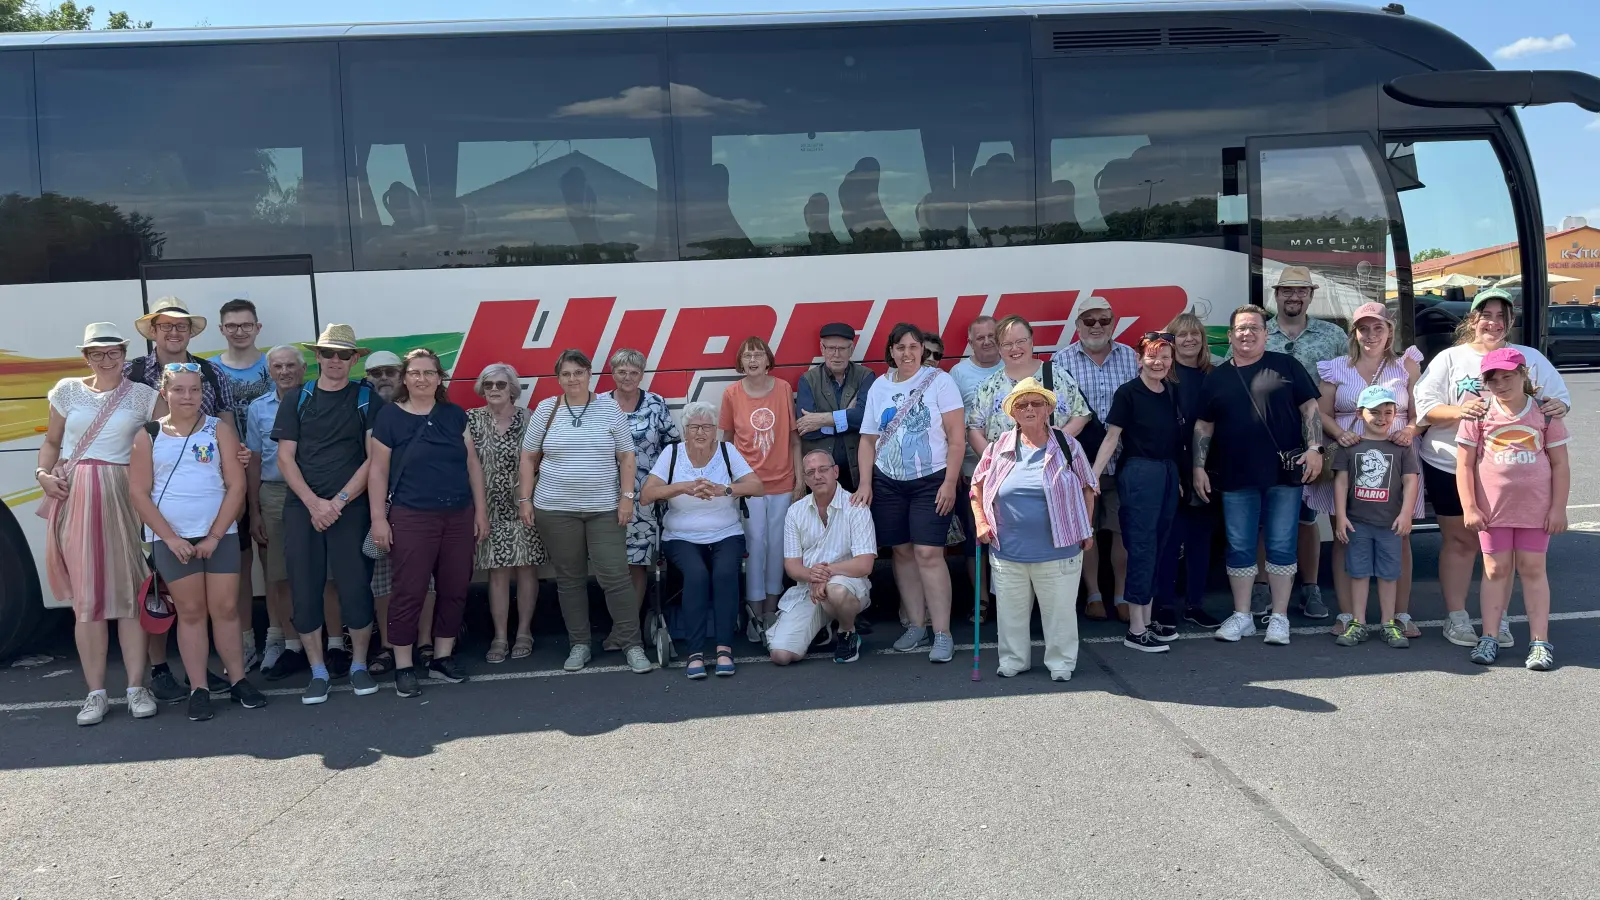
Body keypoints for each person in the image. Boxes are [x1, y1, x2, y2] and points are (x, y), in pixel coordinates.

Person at [1414, 287, 1569, 648]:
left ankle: (1495, 623)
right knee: (1460, 541)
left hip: (1509, 475)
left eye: (1502, 317)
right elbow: (1424, 406)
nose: (1494, 323)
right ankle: (1457, 618)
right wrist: (1459, 411)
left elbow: (1558, 400)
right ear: (1473, 319)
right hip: (1450, 462)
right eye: (1487, 315)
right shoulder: (1451, 358)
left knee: (1501, 555)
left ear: (1510, 322)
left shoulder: (1528, 358)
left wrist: (1557, 407)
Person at [129, 364, 268, 720]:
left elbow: (236, 486)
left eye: (193, 390)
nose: (187, 397)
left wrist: (215, 536)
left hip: (219, 536)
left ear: (201, 393)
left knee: (225, 610)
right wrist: (172, 539)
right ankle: (198, 688)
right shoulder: (148, 435)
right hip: (173, 541)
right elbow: (140, 494)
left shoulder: (218, 429)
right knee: (190, 614)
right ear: (165, 393)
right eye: (179, 390)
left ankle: (238, 681)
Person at [38, 323, 160, 726]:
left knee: (128, 591)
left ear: (125, 354)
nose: (106, 359)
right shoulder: (67, 390)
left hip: (123, 492)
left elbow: (170, 438)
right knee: (86, 600)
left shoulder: (144, 395)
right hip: (75, 493)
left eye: (113, 352)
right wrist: (43, 473)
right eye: (97, 353)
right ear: (86, 356)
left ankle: (136, 687)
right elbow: (53, 443)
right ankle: (95, 693)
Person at [126, 296, 237, 703]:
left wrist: (235, 454)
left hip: (203, 499)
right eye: (166, 326)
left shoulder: (210, 372)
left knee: (207, 601)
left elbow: (227, 425)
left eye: (182, 326)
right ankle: (159, 669)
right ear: (153, 331)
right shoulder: (131, 372)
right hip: (145, 491)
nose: (174, 332)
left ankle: (202, 671)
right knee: (155, 588)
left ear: (191, 332)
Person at [1192, 305, 1323, 646]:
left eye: (1254, 328)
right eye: (1240, 329)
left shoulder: (1287, 365)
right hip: (1235, 475)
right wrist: (1197, 467)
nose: (1246, 334)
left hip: (1284, 473)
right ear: (1231, 335)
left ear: (1266, 334)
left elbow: (1309, 408)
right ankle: (1242, 616)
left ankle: (1279, 618)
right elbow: (1204, 425)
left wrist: (1315, 449)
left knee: (1281, 544)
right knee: (1239, 547)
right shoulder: (1217, 378)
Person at [270, 324, 383, 705]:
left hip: (350, 509)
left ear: (354, 360)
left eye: (344, 355)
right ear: (316, 357)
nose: (336, 361)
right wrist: (315, 504)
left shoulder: (367, 398)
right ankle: (318, 671)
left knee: (354, 587)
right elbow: (285, 458)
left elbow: (373, 460)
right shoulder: (296, 398)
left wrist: (338, 502)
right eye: (328, 353)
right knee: (304, 588)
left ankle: (359, 665)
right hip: (303, 509)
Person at [519, 349, 650, 674]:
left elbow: (627, 456)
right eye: (566, 374)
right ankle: (579, 645)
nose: (573, 379)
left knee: (615, 577)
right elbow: (528, 456)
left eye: (578, 372)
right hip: (555, 509)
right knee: (570, 580)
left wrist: (627, 497)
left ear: (589, 374)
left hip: (605, 509)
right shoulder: (547, 410)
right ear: (558, 378)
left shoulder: (608, 407)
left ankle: (632, 645)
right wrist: (525, 499)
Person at [369, 349, 490, 697]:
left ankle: (441, 658)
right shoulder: (390, 417)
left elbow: (472, 467)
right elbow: (377, 471)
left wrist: (480, 513)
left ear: (440, 379)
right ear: (405, 378)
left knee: (454, 589)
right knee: (410, 591)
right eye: (415, 373)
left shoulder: (454, 416)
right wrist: (379, 518)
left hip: (458, 515)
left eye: (429, 373)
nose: (422, 379)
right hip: (411, 516)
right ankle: (404, 665)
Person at [1307, 302, 1426, 638]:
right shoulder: (1335, 367)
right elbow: (1322, 412)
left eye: (1378, 328)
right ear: (1354, 333)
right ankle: (1348, 615)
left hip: (1398, 457)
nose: (1371, 335)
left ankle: (1399, 614)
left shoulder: (1406, 365)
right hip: (1348, 456)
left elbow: (1422, 410)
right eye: (1363, 328)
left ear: (1389, 331)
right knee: (1345, 536)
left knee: (1400, 538)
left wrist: (1411, 430)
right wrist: (1338, 432)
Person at [971, 378, 1096, 681]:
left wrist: (1086, 527)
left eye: (1036, 403)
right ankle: (1013, 659)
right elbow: (977, 486)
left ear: (1047, 410)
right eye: (1021, 404)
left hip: (1059, 548)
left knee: (1060, 613)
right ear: (1013, 413)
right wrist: (981, 522)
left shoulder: (1067, 445)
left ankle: (1061, 663)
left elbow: (1089, 487)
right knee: (1010, 613)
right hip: (1007, 550)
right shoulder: (998, 446)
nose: (1029, 408)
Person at [856, 323, 966, 663]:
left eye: (913, 347)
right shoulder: (879, 386)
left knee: (929, 554)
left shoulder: (940, 381)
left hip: (930, 480)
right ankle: (916, 625)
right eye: (900, 347)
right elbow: (867, 440)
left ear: (922, 350)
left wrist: (949, 482)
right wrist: (865, 483)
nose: (907, 353)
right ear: (891, 351)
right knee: (902, 553)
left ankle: (942, 632)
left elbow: (956, 438)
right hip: (888, 482)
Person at [1456, 348, 1569, 670]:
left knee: (1533, 570)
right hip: (1493, 512)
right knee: (1495, 571)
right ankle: (1489, 636)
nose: (1501, 384)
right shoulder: (1478, 416)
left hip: (1535, 510)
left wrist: (1558, 508)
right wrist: (1470, 507)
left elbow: (1560, 465)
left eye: (1508, 376)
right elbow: (1463, 465)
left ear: (1523, 376)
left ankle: (1539, 641)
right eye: (1493, 380)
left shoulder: (1545, 414)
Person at [641, 402, 763, 678]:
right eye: (694, 426)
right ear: (685, 430)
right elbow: (647, 494)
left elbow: (757, 486)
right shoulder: (671, 453)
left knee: (724, 574)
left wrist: (725, 489)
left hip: (726, 532)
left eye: (706, 427)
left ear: (714, 431)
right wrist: (683, 487)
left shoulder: (726, 451)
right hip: (681, 535)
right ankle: (695, 652)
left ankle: (724, 649)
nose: (700, 432)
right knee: (696, 576)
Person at [1262, 266, 1349, 620]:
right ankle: (1261, 589)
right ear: (1276, 294)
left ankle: (1310, 588)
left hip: (1317, 443)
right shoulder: (1260, 334)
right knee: (1265, 518)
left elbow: (1351, 378)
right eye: (1287, 291)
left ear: (1311, 295)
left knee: (1307, 518)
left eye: (1301, 291)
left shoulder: (1333, 337)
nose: (1293, 297)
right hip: (1268, 440)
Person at [1091, 333, 1186, 653]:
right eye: (1152, 356)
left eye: (1165, 356)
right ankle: (1135, 628)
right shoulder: (1128, 393)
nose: (1158, 362)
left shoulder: (1171, 392)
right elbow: (1111, 438)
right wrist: (1092, 476)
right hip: (1139, 473)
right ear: (1139, 359)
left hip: (1168, 472)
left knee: (1161, 545)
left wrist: (1178, 476)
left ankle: (1147, 619)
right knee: (1141, 547)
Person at [1052, 297, 1138, 623]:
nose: (1097, 327)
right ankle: (1093, 594)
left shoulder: (1132, 358)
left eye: (1103, 320)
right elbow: (1056, 415)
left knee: (1121, 531)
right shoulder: (1060, 363)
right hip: (1078, 462)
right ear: (1077, 326)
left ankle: (1121, 594)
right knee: (1083, 531)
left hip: (1123, 461)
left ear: (1113, 323)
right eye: (1089, 321)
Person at [720, 336, 802, 642]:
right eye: (747, 356)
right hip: (749, 485)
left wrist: (799, 480)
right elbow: (726, 442)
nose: (753, 360)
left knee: (778, 545)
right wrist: (730, 484)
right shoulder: (731, 394)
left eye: (758, 354)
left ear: (768, 360)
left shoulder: (782, 389)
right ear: (740, 363)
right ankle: (754, 610)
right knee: (755, 544)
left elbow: (794, 439)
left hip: (782, 482)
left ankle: (772, 608)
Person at [468, 362, 546, 664]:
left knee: (527, 568)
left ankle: (524, 631)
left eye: (501, 384)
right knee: (496, 572)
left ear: (512, 388)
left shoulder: (529, 418)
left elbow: (541, 458)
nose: (495, 390)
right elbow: (468, 464)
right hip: (487, 506)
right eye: (489, 385)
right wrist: (478, 511)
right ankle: (500, 635)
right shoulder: (471, 420)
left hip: (523, 503)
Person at [1331, 386, 1420, 650]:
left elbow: (1410, 482)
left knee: (1388, 574)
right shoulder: (1350, 448)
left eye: (1388, 412)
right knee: (1358, 573)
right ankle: (1357, 622)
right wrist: (1341, 517)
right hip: (1358, 522)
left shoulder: (1401, 448)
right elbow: (1340, 483)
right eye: (1374, 412)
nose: (1381, 418)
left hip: (1389, 525)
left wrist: (1406, 514)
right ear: (1359, 414)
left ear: (1395, 415)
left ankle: (1388, 622)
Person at [770, 450, 878, 666]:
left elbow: (865, 564)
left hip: (847, 586)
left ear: (836, 471)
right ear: (806, 479)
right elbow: (792, 566)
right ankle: (824, 625)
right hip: (809, 590)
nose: (817, 476)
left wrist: (823, 575)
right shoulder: (795, 512)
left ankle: (847, 632)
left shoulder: (856, 506)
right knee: (781, 656)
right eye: (810, 472)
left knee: (835, 589)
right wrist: (812, 575)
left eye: (823, 469)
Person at [601, 348, 680, 632]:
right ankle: (618, 624)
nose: (627, 377)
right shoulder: (598, 404)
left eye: (634, 372)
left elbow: (673, 446)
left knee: (636, 563)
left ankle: (626, 630)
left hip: (645, 498)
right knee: (611, 567)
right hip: (605, 496)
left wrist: (663, 487)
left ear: (642, 375)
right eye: (622, 371)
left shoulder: (656, 403)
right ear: (613, 373)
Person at [245, 346, 312, 678]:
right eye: (278, 366)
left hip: (317, 495)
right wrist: (254, 510)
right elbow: (255, 461)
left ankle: (333, 645)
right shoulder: (258, 409)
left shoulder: (318, 400)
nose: (284, 371)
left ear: (302, 369)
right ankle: (291, 645)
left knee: (325, 574)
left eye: (290, 365)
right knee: (279, 575)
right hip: (274, 495)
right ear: (269, 371)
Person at [214, 298, 272, 671]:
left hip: (267, 475)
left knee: (271, 558)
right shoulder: (211, 371)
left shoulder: (274, 365)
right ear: (222, 330)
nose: (239, 331)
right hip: (224, 479)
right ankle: (247, 639)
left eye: (245, 325)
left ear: (257, 328)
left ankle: (278, 637)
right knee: (239, 562)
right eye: (232, 326)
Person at [1155, 312, 1222, 630]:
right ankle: (1164, 605)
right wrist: (1176, 474)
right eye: (1182, 334)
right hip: (1173, 467)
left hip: (1208, 467)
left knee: (1201, 540)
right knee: (1170, 540)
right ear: (1171, 340)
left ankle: (1196, 604)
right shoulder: (1164, 376)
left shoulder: (1214, 374)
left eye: (1195, 333)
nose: (1190, 339)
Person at [948, 316, 1004, 609]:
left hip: (1012, 468)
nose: (986, 341)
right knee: (976, 536)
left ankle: (1007, 598)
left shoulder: (1012, 366)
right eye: (979, 337)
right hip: (974, 469)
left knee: (1006, 536)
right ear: (969, 342)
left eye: (991, 335)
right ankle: (980, 599)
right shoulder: (958, 373)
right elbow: (953, 424)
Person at [360, 349, 404, 673]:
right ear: (367, 378)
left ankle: (422, 642)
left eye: (391, 371)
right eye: (377, 373)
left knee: (424, 579)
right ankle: (388, 646)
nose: (384, 378)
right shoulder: (361, 410)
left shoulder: (414, 406)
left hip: (416, 506)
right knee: (382, 582)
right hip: (372, 506)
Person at [795, 322, 876, 493]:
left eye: (842, 349)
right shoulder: (808, 380)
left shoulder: (866, 376)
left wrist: (824, 419)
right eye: (831, 348)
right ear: (822, 349)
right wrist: (848, 419)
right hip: (821, 475)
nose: (836, 354)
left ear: (851, 350)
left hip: (858, 473)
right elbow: (807, 429)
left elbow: (865, 418)